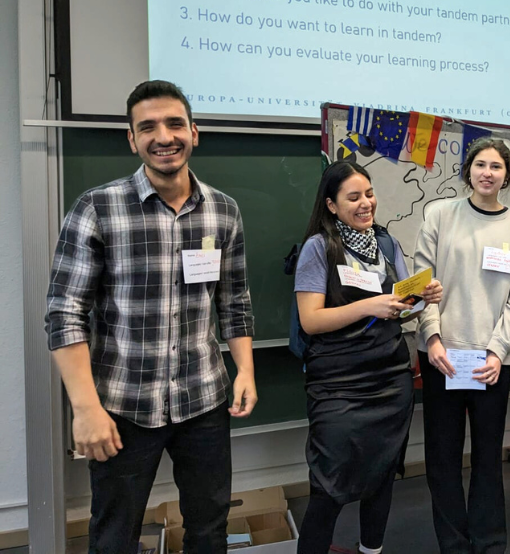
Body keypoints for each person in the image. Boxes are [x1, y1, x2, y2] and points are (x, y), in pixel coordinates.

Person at [45, 80, 256, 553]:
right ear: (132, 139)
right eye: (148, 127)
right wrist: (85, 410)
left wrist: (246, 369)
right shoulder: (97, 208)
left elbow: (234, 301)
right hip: (122, 408)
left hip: (204, 401)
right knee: (115, 536)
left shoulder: (224, 211)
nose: (164, 136)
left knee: (208, 528)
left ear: (194, 132)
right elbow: (64, 314)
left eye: (175, 123)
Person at [294, 161, 442, 554]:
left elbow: (403, 308)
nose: (366, 204)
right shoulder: (318, 248)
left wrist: (420, 300)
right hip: (339, 385)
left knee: (381, 478)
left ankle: (370, 551)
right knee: (328, 486)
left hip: (390, 378)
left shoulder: (387, 243)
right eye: (354, 197)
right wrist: (370, 306)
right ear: (331, 204)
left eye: (370, 194)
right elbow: (311, 320)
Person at [414, 137, 510, 554]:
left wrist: (496, 351)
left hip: (490, 362)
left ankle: (488, 542)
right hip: (442, 357)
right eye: (481, 164)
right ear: (468, 170)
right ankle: (453, 543)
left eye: (497, 166)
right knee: (443, 459)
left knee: (487, 457)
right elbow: (422, 281)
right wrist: (432, 338)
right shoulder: (440, 214)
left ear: (507, 174)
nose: (488, 172)